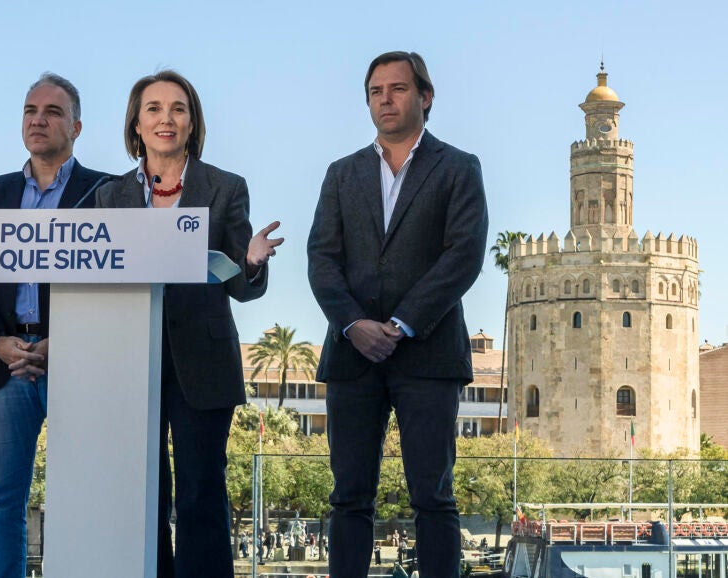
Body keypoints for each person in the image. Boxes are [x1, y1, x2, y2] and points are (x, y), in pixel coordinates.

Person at [307, 50, 489, 578]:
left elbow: (463, 256)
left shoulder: (458, 168)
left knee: (433, 497)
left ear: (425, 97)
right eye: (375, 91)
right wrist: (353, 325)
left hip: (428, 354)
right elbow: (321, 259)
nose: (385, 99)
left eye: (398, 89)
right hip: (352, 357)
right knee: (348, 497)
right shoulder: (341, 174)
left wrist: (400, 324)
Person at [95, 69, 282, 578]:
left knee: (201, 490)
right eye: (153, 108)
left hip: (203, 362)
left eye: (178, 108)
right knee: (143, 493)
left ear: (192, 122)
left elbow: (242, 287)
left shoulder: (225, 187)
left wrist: (252, 262)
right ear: (136, 124)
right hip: (131, 362)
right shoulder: (109, 196)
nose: (166, 118)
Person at [0, 72, 109, 577]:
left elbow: (111, 281)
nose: (38, 120)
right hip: (5, 364)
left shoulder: (105, 191)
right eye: (30, 111)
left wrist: (63, 341)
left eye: (52, 112)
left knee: (82, 490)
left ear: (77, 126)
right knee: (3, 497)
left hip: (76, 361)